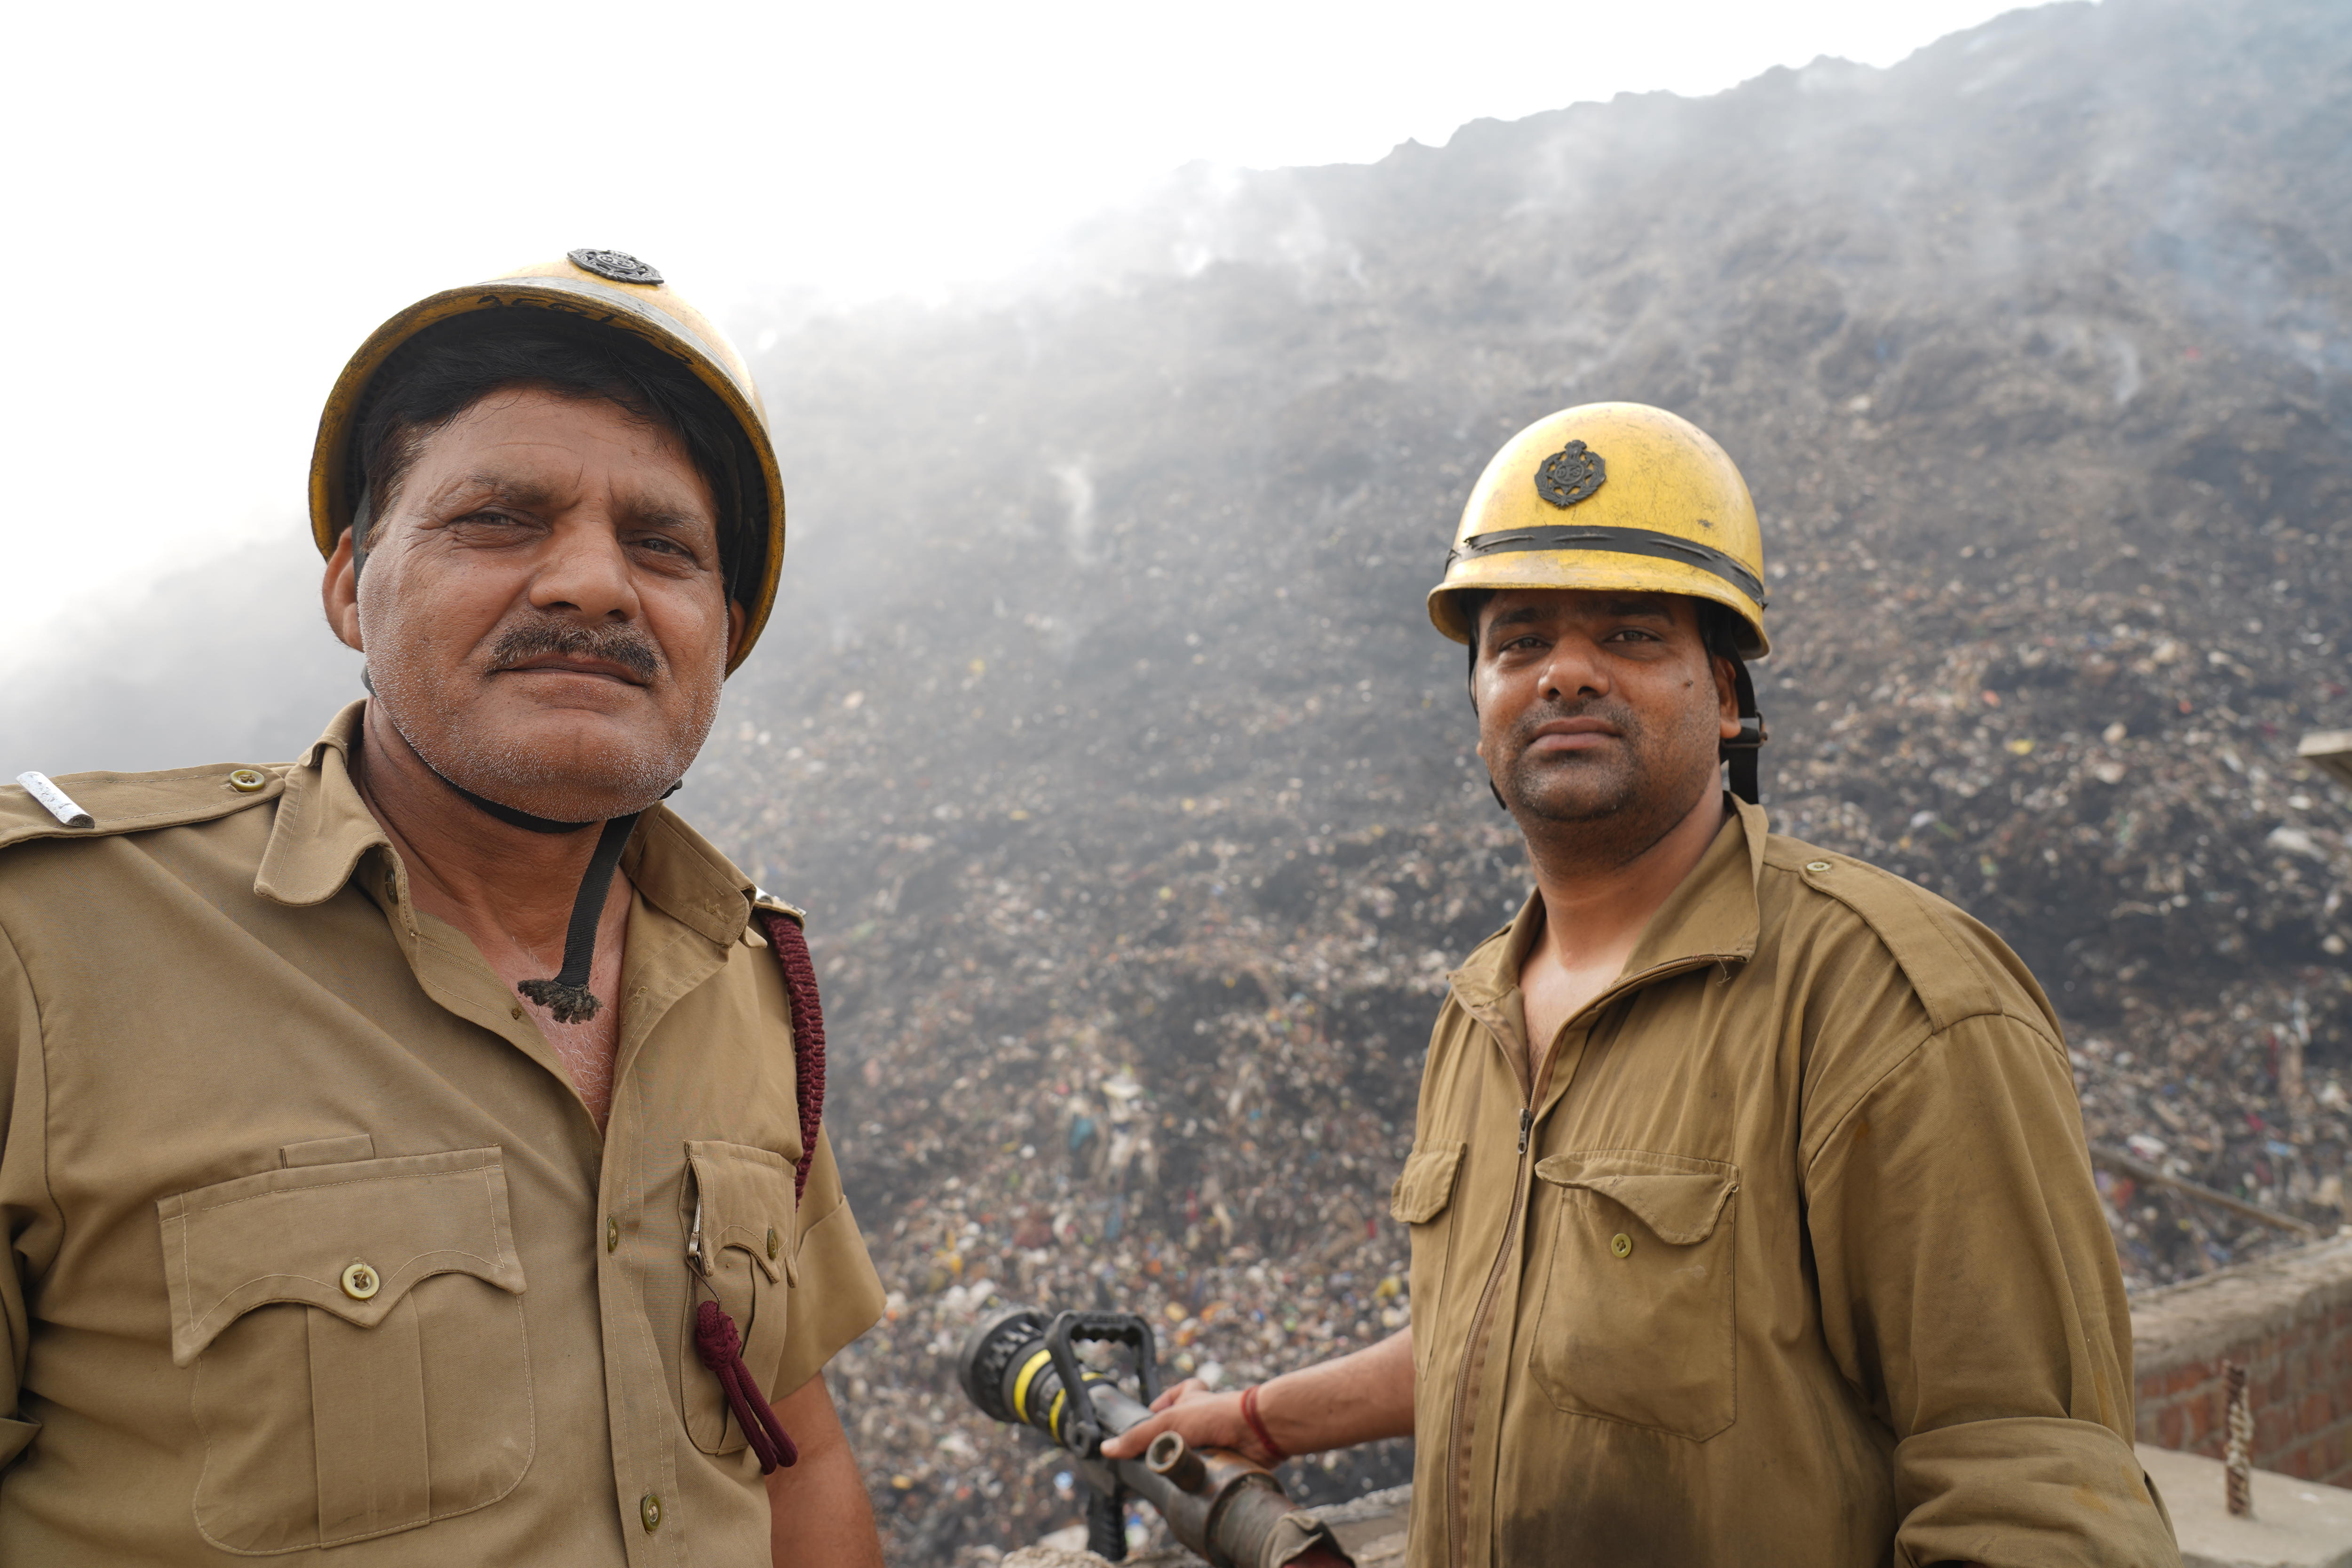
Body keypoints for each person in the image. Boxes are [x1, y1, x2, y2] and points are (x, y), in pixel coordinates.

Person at [1106, 402, 2181, 1567]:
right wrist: (1258, 1418)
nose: (1564, 671)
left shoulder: (1888, 1001)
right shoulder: (1477, 1013)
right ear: (1478, 705)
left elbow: (2033, 1488)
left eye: (1627, 634)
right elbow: (1510, 1333)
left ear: (1725, 697)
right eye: (1517, 643)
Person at [0, 251, 886, 1565]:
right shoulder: (48, 950)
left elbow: (792, 1446)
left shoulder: (748, 982)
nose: (593, 582)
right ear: (352, 582)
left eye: (664, 546)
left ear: (724, 627)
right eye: (500, 518)